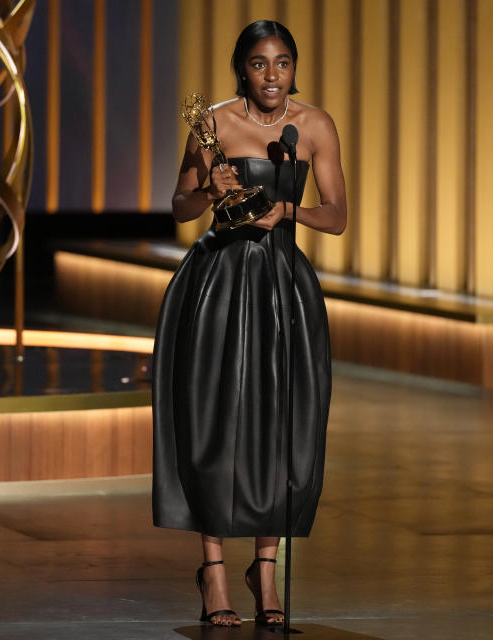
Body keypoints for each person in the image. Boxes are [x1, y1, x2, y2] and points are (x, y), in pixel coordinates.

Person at [152, 19, 347, 628]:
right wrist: (209, 191)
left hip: (284, 288)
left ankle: (266, 570)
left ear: (294, 67)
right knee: (214, 423)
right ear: (242, 68)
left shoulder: (314, 126)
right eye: (260, 64)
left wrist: (287, 209)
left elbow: (337, 216)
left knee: (282, 424)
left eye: (282, 63)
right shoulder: (211, 123)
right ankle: (213, 572)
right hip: (216, 284)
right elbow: (180, 209)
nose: (272, 75)